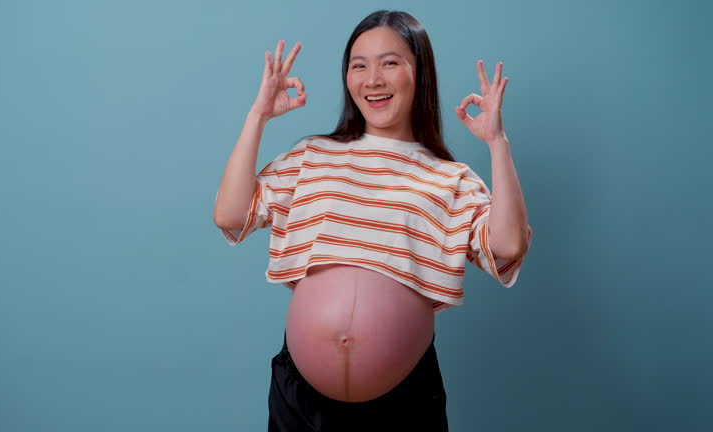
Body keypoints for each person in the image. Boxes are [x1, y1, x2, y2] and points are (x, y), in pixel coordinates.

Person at [213, 10, 533, 431]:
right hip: (300, 400)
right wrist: (258, 115)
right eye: (358, 66)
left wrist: (497, 142)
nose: (373, 80)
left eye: (390, 63)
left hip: (404, 402)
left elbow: (508, 245)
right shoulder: (313, 156)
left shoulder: (449, 178)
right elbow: (230, 215)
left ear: (420, 74)